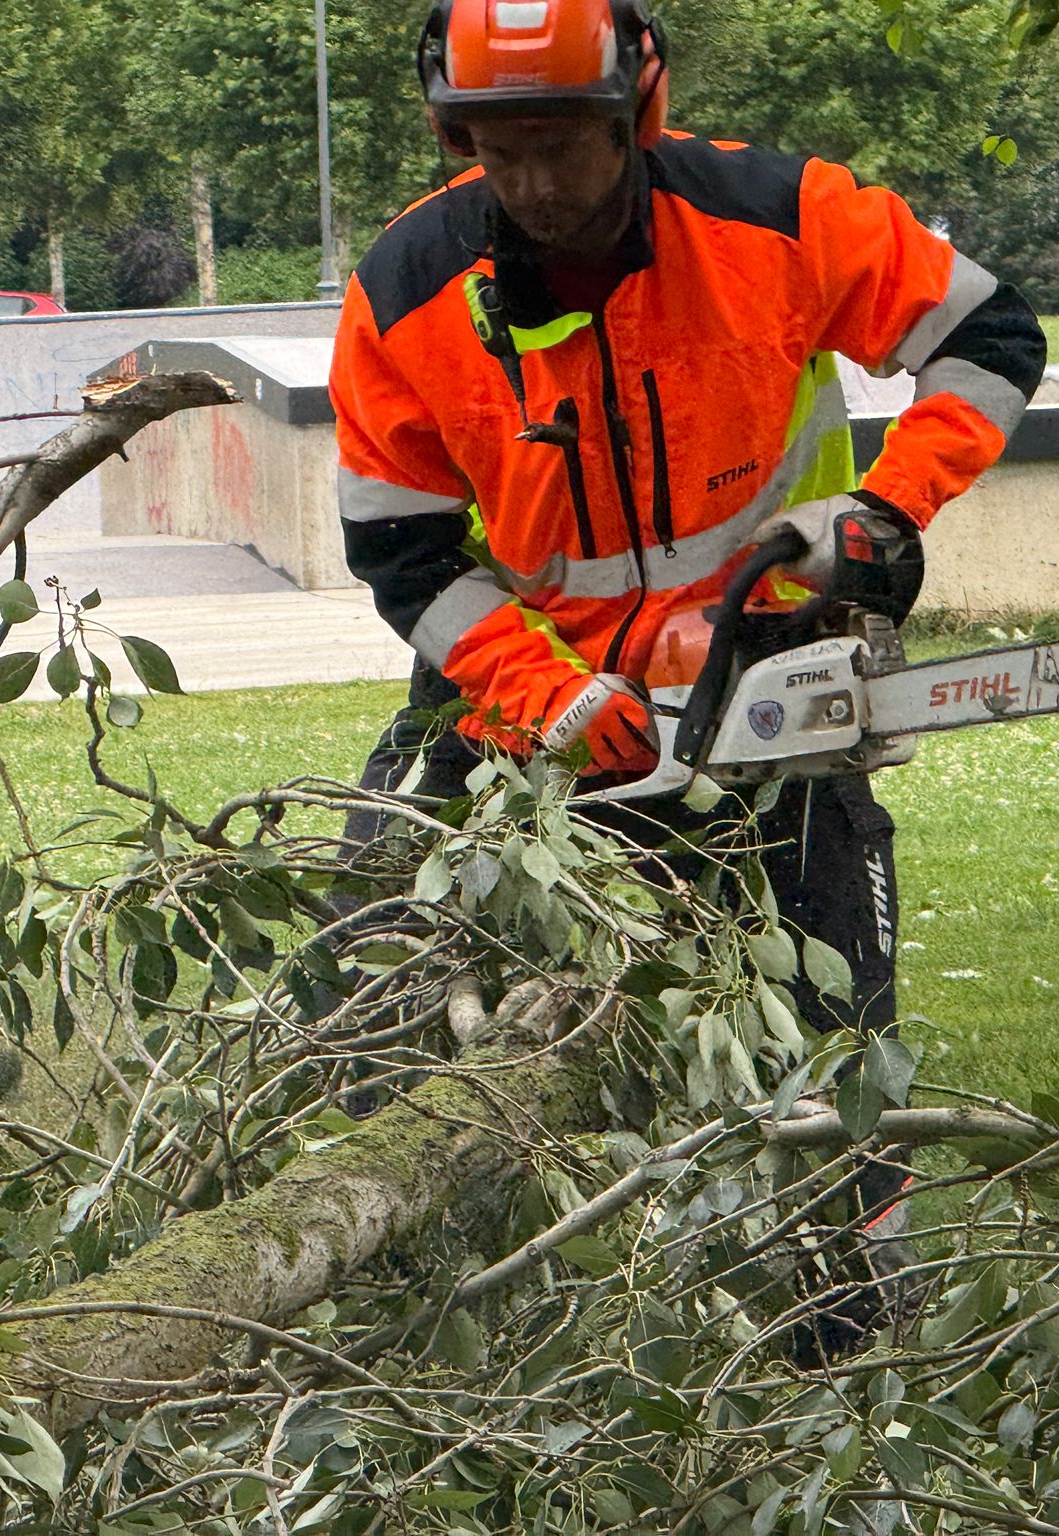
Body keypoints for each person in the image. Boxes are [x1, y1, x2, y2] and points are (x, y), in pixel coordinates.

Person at [332, 0, 1044, 1353]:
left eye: (568, 147)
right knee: (378, 968)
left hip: (771, 664)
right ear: (459, 136)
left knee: (826, 1006)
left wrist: (884, 510)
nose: (540, 185)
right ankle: (439, 1314)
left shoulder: (777, 218)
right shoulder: (411, 288)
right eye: (505, 150)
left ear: (632, 114)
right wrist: (545, 700)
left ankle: (847, 1315)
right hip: (528, 704)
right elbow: (405, 558)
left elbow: (995, 339)